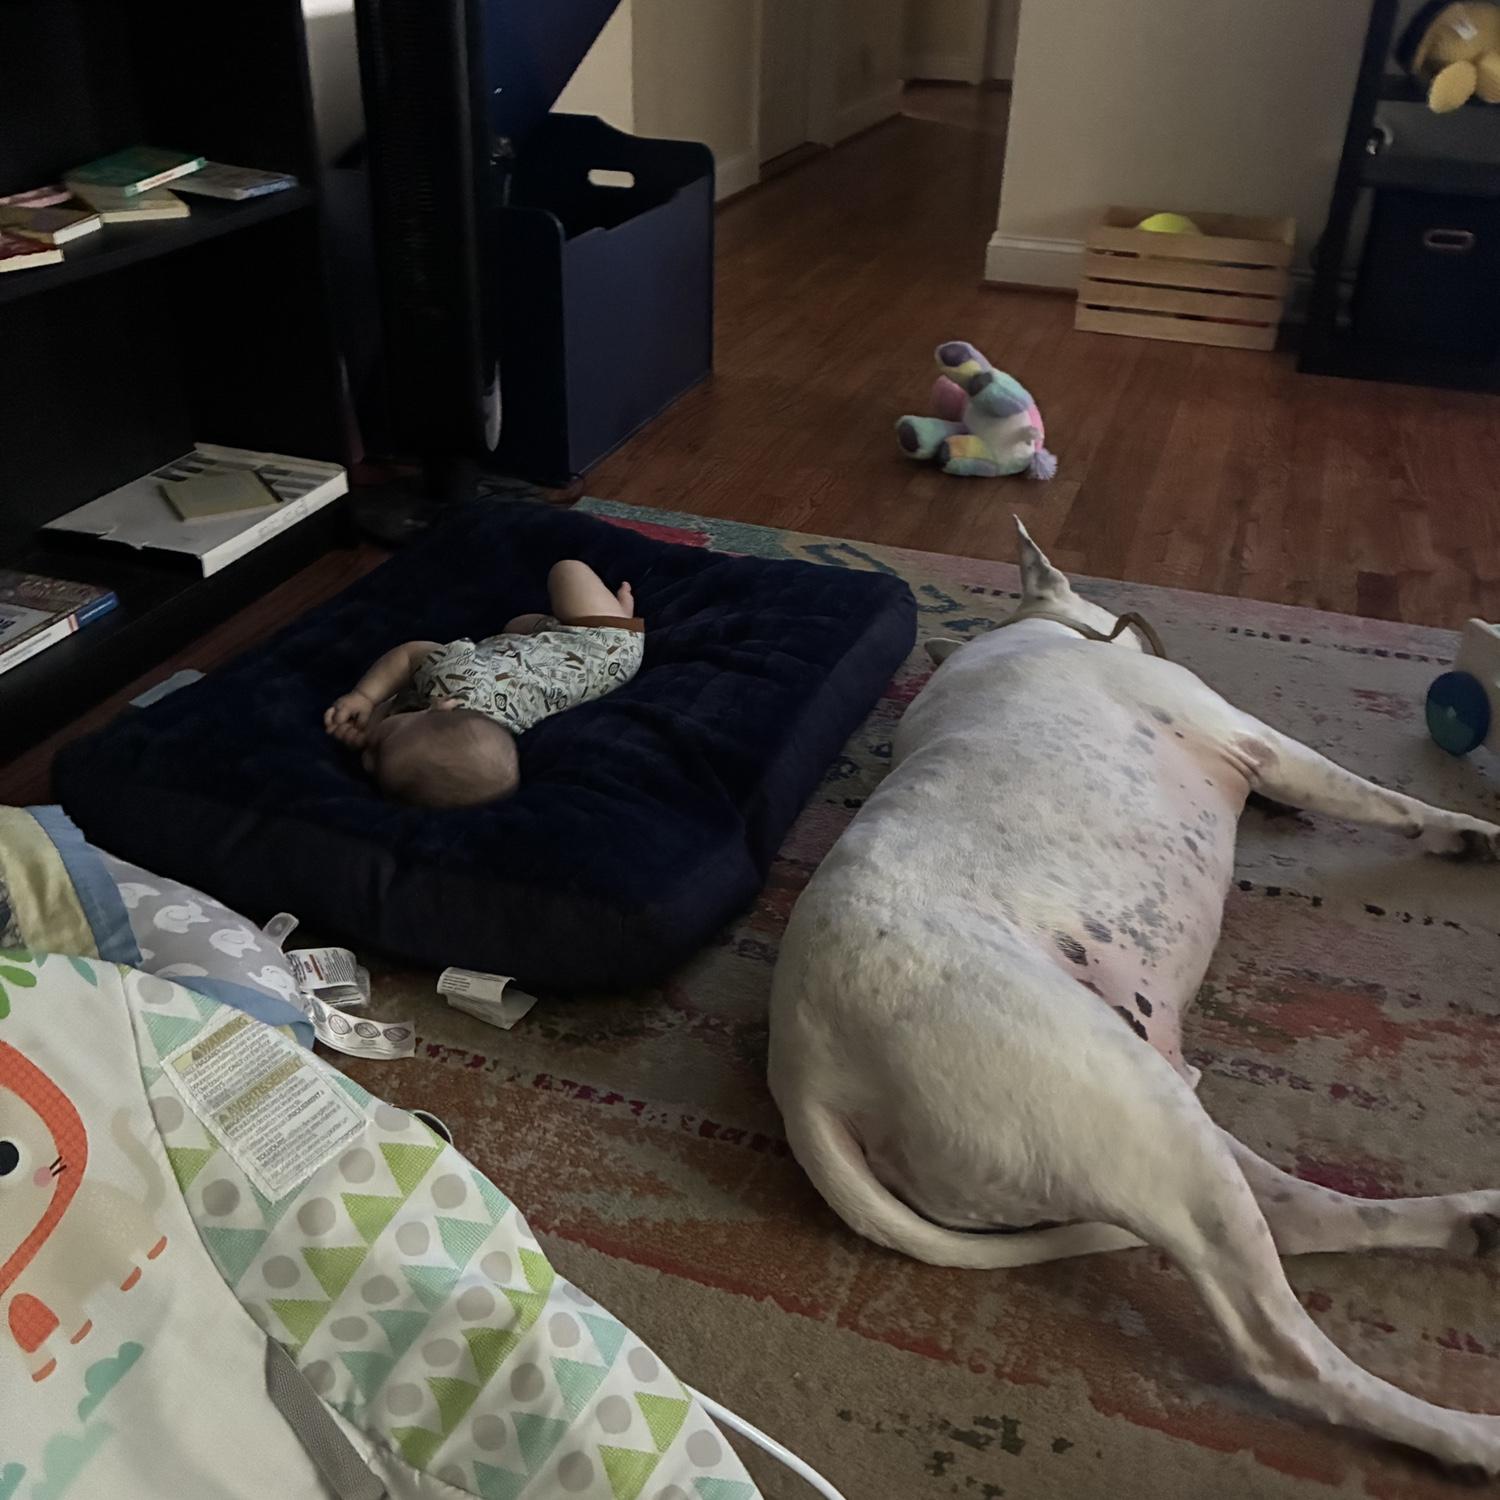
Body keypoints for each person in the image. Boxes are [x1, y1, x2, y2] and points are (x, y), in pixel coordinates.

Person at [324, 559, 643, 807]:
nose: (365, 760)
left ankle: (565, 625)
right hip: (605, 646)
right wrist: (370, 709)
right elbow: (409, 665)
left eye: (375, 756)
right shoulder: (446, 697)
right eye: (378, 752)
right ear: (440, 707)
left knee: (526, 614)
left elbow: (410, 666)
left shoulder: (463, 704)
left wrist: (367, 704)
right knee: (565, 573)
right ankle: (618, 616)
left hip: (575, 658)